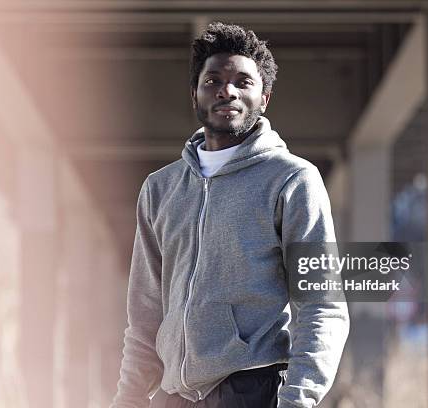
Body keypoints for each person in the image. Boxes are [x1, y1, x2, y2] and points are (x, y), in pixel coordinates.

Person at [110, 22, 349, 408]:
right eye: (213, 80)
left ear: (264, 97)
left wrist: (297, 399)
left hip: (254, 389)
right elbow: (145, 316)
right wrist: (129, 398)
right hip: (175, 396)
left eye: (243, 81)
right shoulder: (160, 188)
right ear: (195, 95)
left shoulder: (291, 179)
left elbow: (323, 305)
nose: (228, 90)